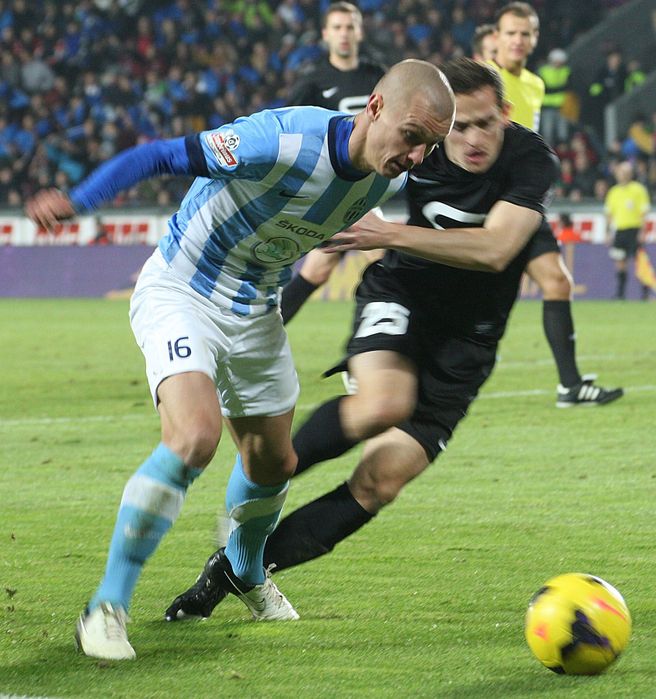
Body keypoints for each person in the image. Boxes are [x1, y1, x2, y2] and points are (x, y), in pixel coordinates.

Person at [25, 59, 456, 661]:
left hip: (256, 313)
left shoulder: (385, 180)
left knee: (274, 462)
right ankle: (106, 606)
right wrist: (80, 199)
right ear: (376, 107)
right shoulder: (278, 139)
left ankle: (247, 573)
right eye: (413, 135)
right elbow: (156, 156)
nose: (416, 154)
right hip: (183, 290)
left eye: (429, 145)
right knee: (195, 437)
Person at [164, 58, 623, 621]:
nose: (473, 139)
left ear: (506, 115)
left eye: (486, 123)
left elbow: (498, 250)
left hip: (470, 341)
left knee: (381, 481)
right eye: (460, 127)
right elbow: (338, 160)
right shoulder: (412, 147)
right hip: (401, 296)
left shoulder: (529, 159)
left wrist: (387, 232)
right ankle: (261, 488)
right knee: (385, 404)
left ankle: (233, 571)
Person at [487, 2, 623, 406]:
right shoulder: (480, 78)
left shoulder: (534, 83)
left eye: (525, 33)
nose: (518, 40)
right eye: (510, 32)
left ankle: (570, 385)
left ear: (535, 38)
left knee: (557, 282)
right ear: (496, 36)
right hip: (482, 201)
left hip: (521, 200)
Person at [281, 2, 386, 324]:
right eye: (337, 27)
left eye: (350, 26)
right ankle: (372, 344)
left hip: (367, 185)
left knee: (318, 269)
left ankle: (257, 334)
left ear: (359, 31)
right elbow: (290, 131)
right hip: (331, 188)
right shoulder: (312, 82)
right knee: (385, 254)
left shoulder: (377, 75)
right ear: (326, 35)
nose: (344, 34)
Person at [605, 160, 651, 300]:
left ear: (630, 174)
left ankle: (645, 293)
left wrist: (643, 231)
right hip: (620, 230)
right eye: (620, 172)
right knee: (620, 261)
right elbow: (609, 214)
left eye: (625, 172)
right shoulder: (613, 192)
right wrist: (608, 232)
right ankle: (620, 294)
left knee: (639, 261)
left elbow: (644, 212)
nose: (622, 175)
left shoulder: (638, 189)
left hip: (634, 229)